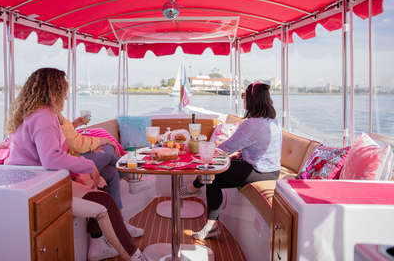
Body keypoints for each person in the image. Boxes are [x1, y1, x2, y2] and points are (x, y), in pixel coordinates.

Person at [4, 68, 152, 261]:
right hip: (39, 190)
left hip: (36, 182)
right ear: (55, 89)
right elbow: (51, 158)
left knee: (105, 190)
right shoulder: (44, 116)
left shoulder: (30, 113)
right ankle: (134, 256)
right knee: (105, 203)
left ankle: (105, 246)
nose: (65, 95)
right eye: (64, 89)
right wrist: (88, 166)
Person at [180, 81, 282, 240]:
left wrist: (196, 150)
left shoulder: (251, 124)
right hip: (270, 170)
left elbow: (224, 148)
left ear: (251, 100)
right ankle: (211, 226)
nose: (243, 100)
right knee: (213, 180)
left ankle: (193, 187)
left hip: (261, 171)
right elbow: (261, 150)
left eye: (244, 96)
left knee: (212, 168)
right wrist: (240, 156)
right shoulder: (271, 121)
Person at [58, 114, 156, 237]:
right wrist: (104, 141)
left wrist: (74, 125)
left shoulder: (54, 116)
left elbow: (64, 135)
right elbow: (77, 143)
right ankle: (133, 180)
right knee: (109, 150)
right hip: (67, 166)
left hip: (71, 157)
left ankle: (118, 224)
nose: (65, 97)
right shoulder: (48, 116)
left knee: (112, 172)